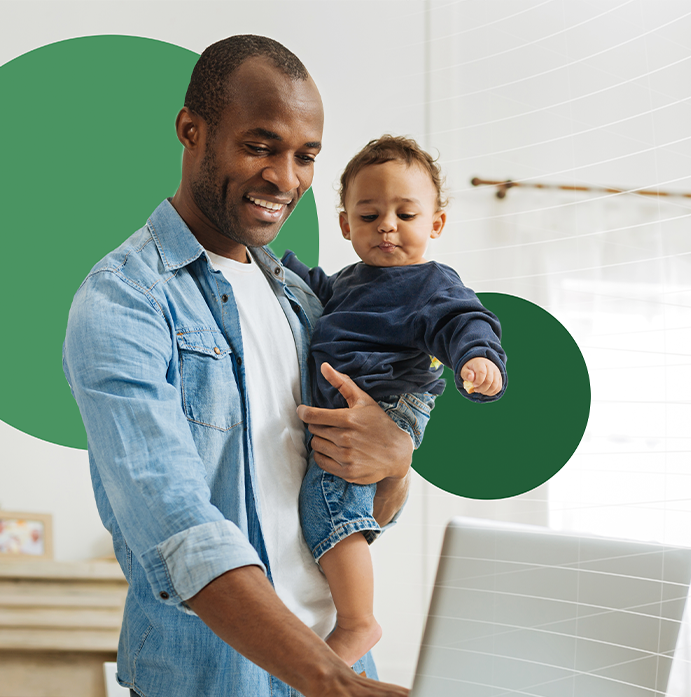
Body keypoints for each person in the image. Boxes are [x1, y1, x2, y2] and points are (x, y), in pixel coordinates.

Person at [62, 35, 411, 697]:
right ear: (191, 131)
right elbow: (177, 527)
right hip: (220, 681)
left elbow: (361, 511)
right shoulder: (124, 298)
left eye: (304, 156)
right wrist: (322, 678)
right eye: (259, 145)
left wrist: (395, 461)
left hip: (338, 668)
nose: (285, 178)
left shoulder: (305, 300)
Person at [282, 135, 508, 666]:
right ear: (345, 226)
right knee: (333, 507)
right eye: (369, 214)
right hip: (361, 407)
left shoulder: (429, 283)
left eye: (405, 213)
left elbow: (463, 320)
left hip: (388, 403)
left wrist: (478, 358)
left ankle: (359, 622)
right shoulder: (351, 282)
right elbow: (319, 296)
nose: (387, 225)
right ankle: (353, 615)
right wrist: (277, 264)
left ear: (436, 224)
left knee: (329, 507)